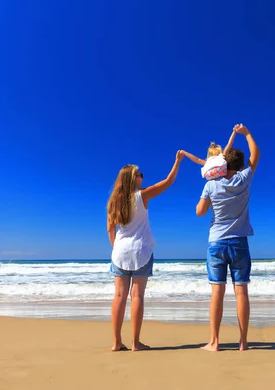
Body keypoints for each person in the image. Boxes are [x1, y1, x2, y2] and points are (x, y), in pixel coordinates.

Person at [106, 151, 184, 351]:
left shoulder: (113, 202)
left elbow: (110, 229)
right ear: (133, 179)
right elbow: (168, 181)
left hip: (120, 251)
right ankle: (135, 343)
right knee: (137, 296)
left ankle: (116, 342)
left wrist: (116, 247)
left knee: (119, 297)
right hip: (141, 250)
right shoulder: (142, 196)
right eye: (140, 174)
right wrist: (177, 161)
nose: (143, 176)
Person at [196, 123, 260, 352]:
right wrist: (247, 133)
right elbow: (256, 154)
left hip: (216, 243)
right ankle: (243, 342)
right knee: (241, 291)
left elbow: (200, 212)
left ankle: (214, 341)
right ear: (240, 165)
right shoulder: (244, 179)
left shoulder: (211, 185)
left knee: (217, 292)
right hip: (240, 242)